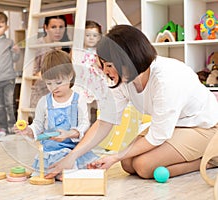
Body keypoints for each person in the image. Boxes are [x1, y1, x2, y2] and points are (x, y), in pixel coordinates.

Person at [45, 24, 218, 180]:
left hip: (204, 126)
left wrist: (115, 156)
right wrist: (72, 157)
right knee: (127, 164)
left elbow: (158, 136)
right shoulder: (123, 80)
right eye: (103, 64)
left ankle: (210, 160)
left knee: (143, 166)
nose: (105, 71)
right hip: (174, 126)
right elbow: (105, 121)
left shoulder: (167, 80)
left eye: (110, 65)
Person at [14, 50, 98, 177]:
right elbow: (38, 125)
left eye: (58, 82)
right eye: (49, 83)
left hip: (74, 149)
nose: (54, 87)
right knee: (59, 172)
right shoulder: (44, 102)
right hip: (52, 152)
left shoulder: (78, 99)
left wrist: (70, 133)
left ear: (70, 75)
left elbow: (84, 123)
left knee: (94, 167)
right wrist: (28, 130)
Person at [30, 15, 71, 108]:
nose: (58, 31)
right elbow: (31, 77)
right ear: (45, 28)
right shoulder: (37, 46)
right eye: (53, 27)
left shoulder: (66, 45)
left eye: (61, 27)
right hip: (40, 95)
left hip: (60, 96)